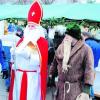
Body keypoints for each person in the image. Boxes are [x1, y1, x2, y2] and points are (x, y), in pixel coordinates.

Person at [8, 1, 48, 100]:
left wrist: (27, 54)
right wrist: (13, 54)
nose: (30, 28)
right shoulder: (22, 40)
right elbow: (14, 61)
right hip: (19, 76)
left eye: (33, 26)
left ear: (38, 27)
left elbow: (39, 62)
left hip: (31, 78)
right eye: (29, 26)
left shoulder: (40, 41)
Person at [49, 22, 95, 100]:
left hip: (75, 89)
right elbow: (55, 62)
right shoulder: (61, 46)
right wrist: (51, 76)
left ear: (75, 37)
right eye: (66, 35)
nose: (66, 37)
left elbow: (89, 70)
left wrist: (86, 91)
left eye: (68, 35)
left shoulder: (86, 49)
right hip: (61, 88)